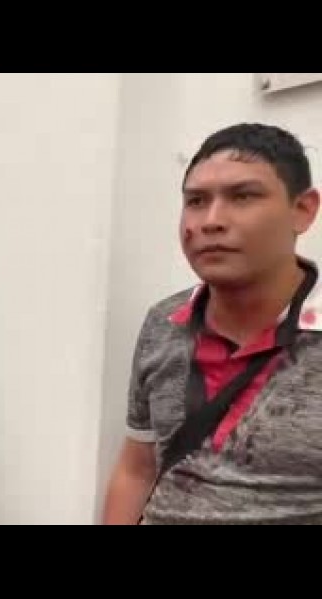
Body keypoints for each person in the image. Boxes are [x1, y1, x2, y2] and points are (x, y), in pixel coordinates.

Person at [102, 123, 322, 525]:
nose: (211, 221)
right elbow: (138, 469)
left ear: (303, 209)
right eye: (197, 201)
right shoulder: (164, 322)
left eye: (243, 196)